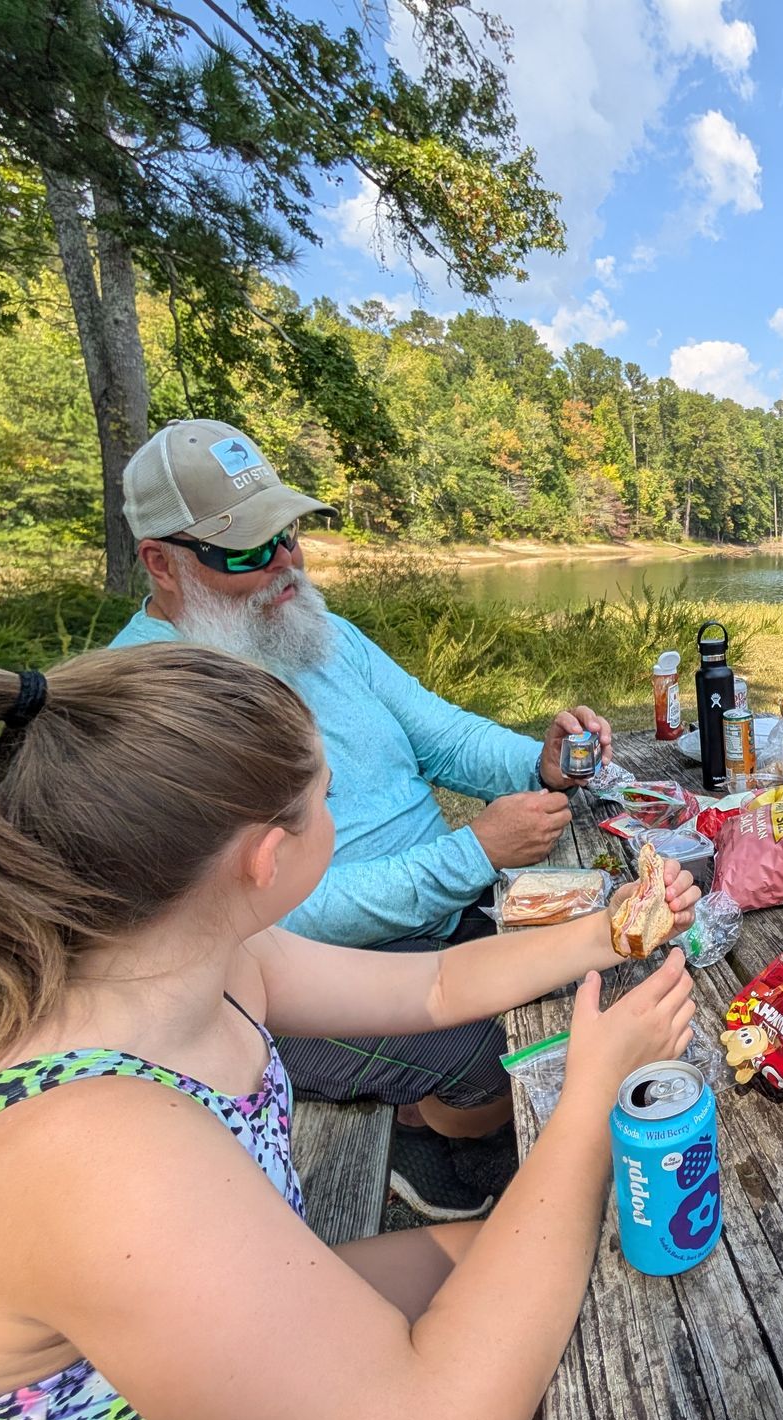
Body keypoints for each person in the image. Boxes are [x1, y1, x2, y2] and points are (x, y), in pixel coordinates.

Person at [0, 644, 699, 1420]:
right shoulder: (90, 1150)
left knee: (592, 1251)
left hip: (193, 1339)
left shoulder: (204, 957)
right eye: (329, 799)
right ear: (267, 859)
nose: (337, 816)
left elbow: (433, 986)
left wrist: (615, 930)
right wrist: (593, 1102)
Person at [107, 419, 613, 1219]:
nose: (284, 565)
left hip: (440, 916)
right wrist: (473, 855)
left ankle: (441, 1113)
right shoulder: (152, 699)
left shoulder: (313, 628)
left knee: (589, 970)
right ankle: (442, 1151)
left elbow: (438, 730)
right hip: (294, 984)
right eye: (245, 550)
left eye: (289, 534)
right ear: (161, 562)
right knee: (502, 1047)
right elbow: (272, 918)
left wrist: (535, 761)